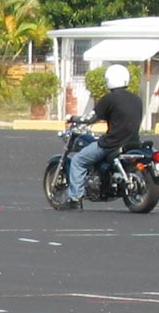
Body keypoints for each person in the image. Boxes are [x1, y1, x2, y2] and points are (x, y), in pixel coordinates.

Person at [59, 63, 143, 211]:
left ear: (109, 79)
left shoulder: (109, 99)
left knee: (78, 161)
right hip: (132, 143)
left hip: (111, 143)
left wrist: (72, 118)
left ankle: (75, 199)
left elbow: (90, 119)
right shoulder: (137, 99)